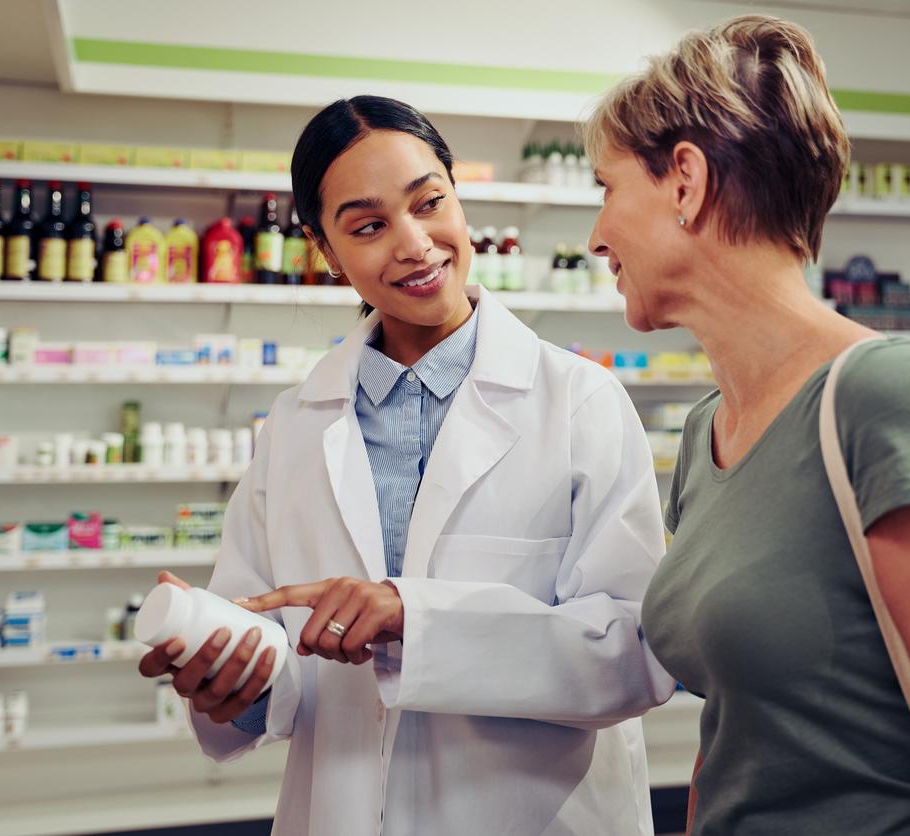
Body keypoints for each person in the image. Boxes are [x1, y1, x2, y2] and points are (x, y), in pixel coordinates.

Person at [583, 15, 910, 836]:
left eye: (605, 189)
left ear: (684, 180)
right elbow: (738, 730)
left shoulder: (884, 399)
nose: (596, 235)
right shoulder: (713, 429)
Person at [136, 95, 674, 836]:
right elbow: (270, 649)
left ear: (457, 195)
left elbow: (636, 652)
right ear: (325, 252)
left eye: (430, 203)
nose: (415, 244)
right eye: (367, 227)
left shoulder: (580, 402)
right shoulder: (296, 426)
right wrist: (232, 681)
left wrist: (412, 618)